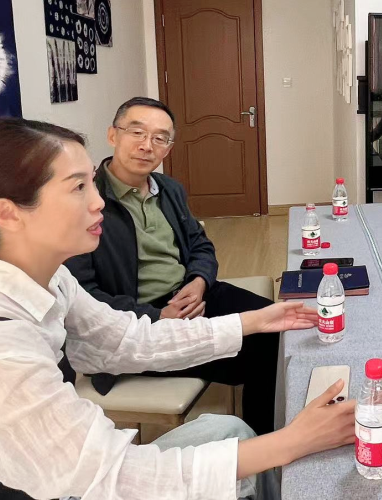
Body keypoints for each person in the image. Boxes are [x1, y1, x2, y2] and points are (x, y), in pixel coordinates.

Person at [0, 118, 355, 500]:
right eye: (78, 187)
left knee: (229, 428)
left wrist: (251, 321)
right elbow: (119, 478)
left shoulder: (47, 276)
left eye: (92, 182)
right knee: (256, 451)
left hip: (80, 471)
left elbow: (128, 338)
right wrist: (293, 441)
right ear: (8, 214)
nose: (97, 202)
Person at [66, 97, 278, 434]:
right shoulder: (87, 203)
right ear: (113, 135)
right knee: (259, 355)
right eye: (137, 132)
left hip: (191, 297)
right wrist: (157, 315)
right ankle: (263, 447)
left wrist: (199, 281)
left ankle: (266, 437)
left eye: (160, 138)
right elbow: (83, 296)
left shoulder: (168, 189)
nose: (147, 145)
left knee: (275, 326)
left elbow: (200, 245)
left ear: (168, 148)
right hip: (137, 326)